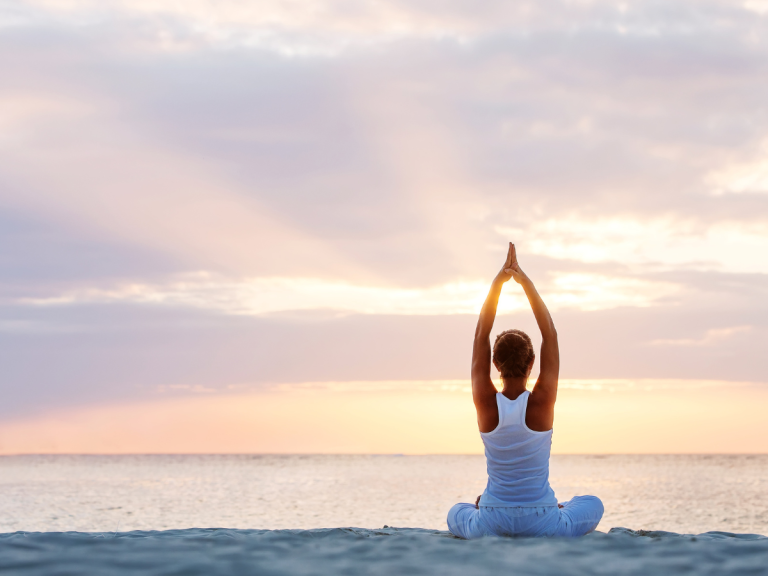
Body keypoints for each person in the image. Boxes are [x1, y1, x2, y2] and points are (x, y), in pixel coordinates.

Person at [447, 243, 604, 539]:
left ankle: (489, 505)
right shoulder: (542, 402)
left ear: (495, 364)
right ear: (532, 362)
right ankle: (557, 507)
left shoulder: (485, 403)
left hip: (492, 519)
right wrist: (525, 282)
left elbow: (481, 333)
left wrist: (498, 283)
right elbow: (550, 334)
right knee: (593, 504)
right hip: (542, 520)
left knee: (456, 512)